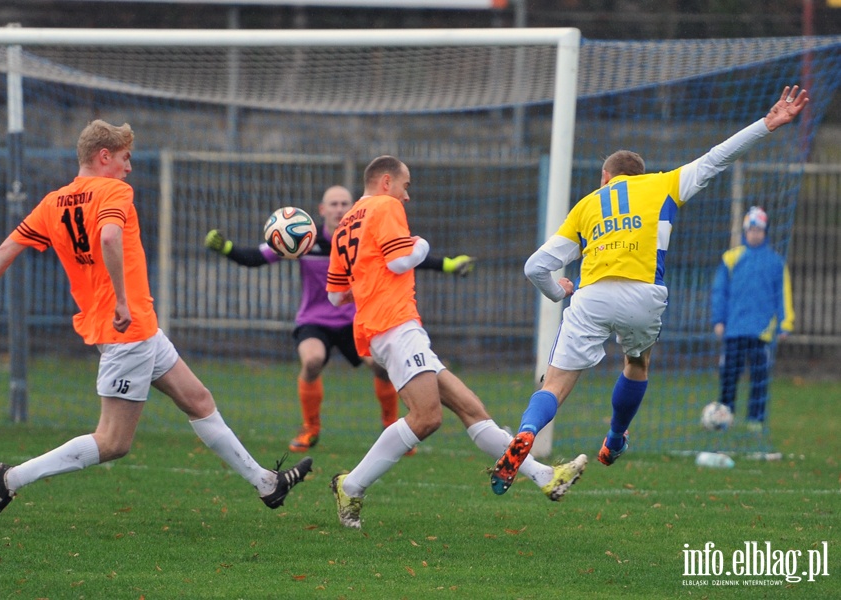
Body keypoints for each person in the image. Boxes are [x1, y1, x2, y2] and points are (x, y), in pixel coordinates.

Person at [0, 120, 312, 526]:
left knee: (199, 400)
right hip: (127, 329)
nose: (129, 168)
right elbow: (108, 238)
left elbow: (6, 247)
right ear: (104, 157)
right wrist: (122, 300)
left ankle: (266, 483)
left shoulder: (53, 202)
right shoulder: (114, 191)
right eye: (125, 158)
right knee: (113, 441)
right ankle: (10, 478)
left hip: (137, 329)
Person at [490, 84, 809, 494]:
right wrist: (768, 123)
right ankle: (614, 439)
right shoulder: (663, 185)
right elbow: (718, 156)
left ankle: (527, 432)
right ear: (638, 176)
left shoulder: (588, 204)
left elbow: (535, 267)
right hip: (644, 296)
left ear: (605, 178)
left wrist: (558, 291)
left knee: (553, 385)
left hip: (592, 294)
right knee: (636, 363)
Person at [325, 155, 588, 529]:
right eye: (406, 185)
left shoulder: (344, 225)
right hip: (395, 323)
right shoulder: (385, 205)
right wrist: (422, 244)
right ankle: (351, 486)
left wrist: (368, 280)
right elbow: (401, 260)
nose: (407, 196)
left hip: (384, 326)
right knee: (427, 417)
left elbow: (336, 297)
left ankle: (546, 478)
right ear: (386, 182)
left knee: (471, 409)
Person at [205, 185, 476, 453]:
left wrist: (448, 264)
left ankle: (390, 423)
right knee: (311, 361)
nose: (339, 208)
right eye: (333, 204)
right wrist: (227, 247)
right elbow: (256, 257)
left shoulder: (360, 239)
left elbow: (403, 256)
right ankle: (310, 428)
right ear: (322, 210)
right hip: (314, 320)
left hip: (355, 321)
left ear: (353, 208)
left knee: (381, 366)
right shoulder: (302, 238)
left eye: (344, 203)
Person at [710, 206, 794, 430]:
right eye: (751, 229)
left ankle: (755, 419)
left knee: (759, 377)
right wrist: (719, 320)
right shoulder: (731, 258)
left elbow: (783, 294)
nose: (755, 234)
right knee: (729, 375)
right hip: (735, 329)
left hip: (762, 330)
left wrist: (785, 323)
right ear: (745, 231)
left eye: (759, 230)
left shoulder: (775, 262)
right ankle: (724, 416)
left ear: (765, 232)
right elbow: (720, 291)